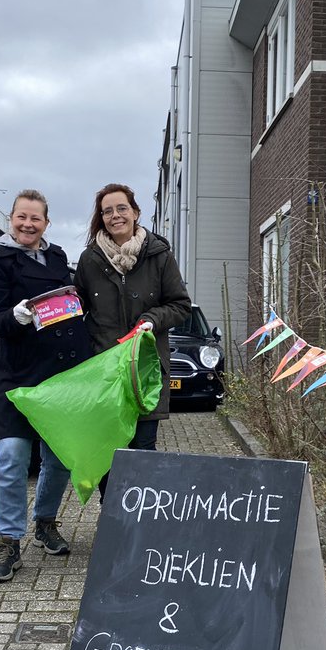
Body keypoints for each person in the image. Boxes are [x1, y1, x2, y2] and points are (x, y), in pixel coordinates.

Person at [0, 189, 92, 582]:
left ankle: (45, 522)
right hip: (16, 372)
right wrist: (19, 315)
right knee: (11, 456)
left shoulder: (58, 258)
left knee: (58, 457)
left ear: (46, 222)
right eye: (21, 217)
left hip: (60, 373)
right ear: (10, 219)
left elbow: (70, 310)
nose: (28, 224)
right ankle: (9, 540)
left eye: (36, 219)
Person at [74, 183, 191, 491]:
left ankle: (140, 520)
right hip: (106, 372)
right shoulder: (90, 260)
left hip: (146, 371)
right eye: (107, 211)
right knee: (109, 449)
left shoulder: (159, 255)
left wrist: (152, 319)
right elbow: (77, 308)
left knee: (142, 450)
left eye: (121, 208)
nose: (115, 215)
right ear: (101, 218)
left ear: (135, 212)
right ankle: (111, 517)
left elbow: (180, 305)